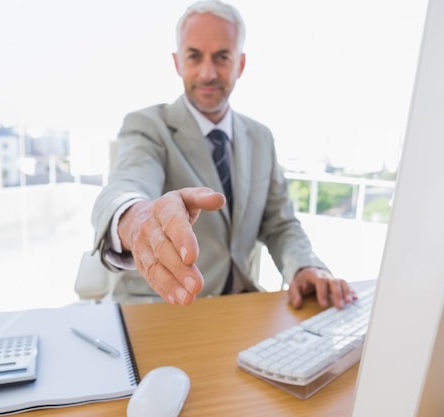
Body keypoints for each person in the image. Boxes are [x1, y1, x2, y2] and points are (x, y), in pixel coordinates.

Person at [91, 0, 356, 309]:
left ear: (240, 64)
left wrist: (305, 266)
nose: (208, 73)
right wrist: (135, 217)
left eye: (221, 57)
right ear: (177, 62)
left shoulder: (260, 137)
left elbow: (279, 225)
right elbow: (127, 183)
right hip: (162, 308)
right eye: (194, 56)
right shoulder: (148, 126)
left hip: (240, 309)